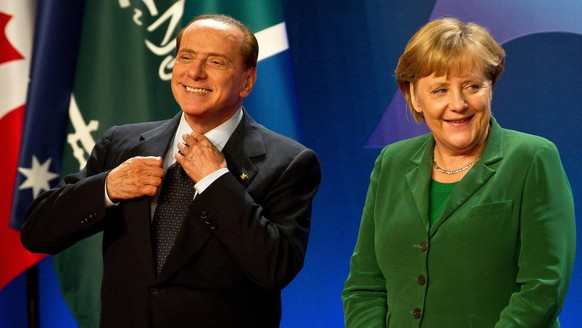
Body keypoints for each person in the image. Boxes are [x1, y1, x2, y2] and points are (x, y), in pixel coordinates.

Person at [21, 14, 321, 327]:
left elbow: (275, 267)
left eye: (215, 62)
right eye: (186, 57)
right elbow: (37, 232)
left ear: (246, 80)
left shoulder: (288, 162)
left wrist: (217, 182)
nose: (195, 72)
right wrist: (107, 187)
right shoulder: (121, 144)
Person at [342, 17, 575, 327]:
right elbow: (364, 285)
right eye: (439, 90)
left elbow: (542, 289)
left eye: (472, 86)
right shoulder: (391, 163)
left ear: (491, 87)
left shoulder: (532, 158)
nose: (458, 104)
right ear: (413, 96)